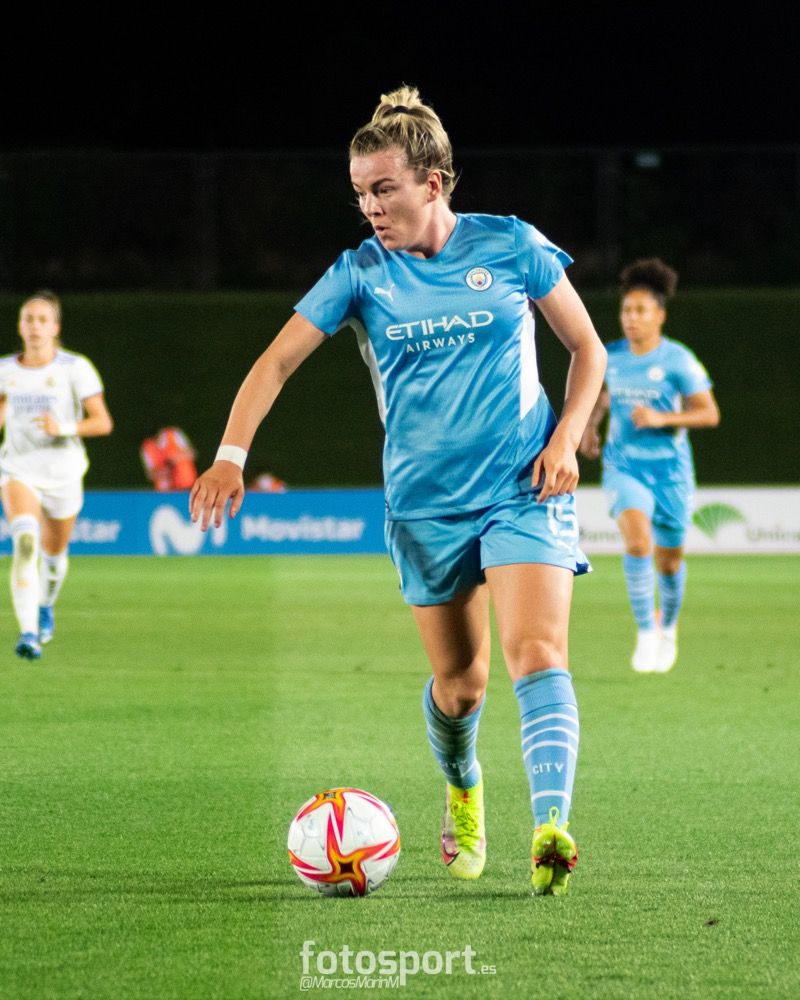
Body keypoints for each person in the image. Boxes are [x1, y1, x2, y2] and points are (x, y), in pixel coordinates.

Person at [190, 86, 606, 895]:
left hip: (522, 485)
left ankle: (551, 827)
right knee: (463, 685)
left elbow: (588, 349)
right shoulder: (360, 273)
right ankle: (463, 785)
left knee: (538, 653)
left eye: (384, 189)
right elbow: (275, 362)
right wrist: (230, 456)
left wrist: (564, 438)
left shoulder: (511, 245)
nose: (371, 208)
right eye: (360, 194)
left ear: (433, 183)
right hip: (423, 508)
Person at [579, 259, 719, 673]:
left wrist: (662, 418)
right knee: (638, 543)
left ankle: (668, 627)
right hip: (624, 466)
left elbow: (708, 413)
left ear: (660, 315)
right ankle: (644, 632)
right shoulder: (610, 356)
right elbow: (601, 395)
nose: (631, 318)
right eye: (626, 310)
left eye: (641, 310)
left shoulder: (679, 360)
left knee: (669, 561)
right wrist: (590, 426)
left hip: (671, 472)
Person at [0, 291, 113, 660]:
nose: (34, 326)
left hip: (64, 473)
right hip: (18, 470)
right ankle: (28, 633)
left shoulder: (74, 368)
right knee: (24, 544)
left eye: (42, 320)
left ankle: (45, 606)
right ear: (19, 326)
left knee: (54, 556)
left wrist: (61, 427)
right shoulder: (5, 371)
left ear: (55, 328)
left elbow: (103, 422)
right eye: (28, 319)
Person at [140, 426, 197, 491]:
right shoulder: (147, 446)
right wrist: (164, 471)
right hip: (166, 489)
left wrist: (174, 459)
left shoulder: (173, 434)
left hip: (186, 484)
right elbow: (149, 475)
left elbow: (192, 453)